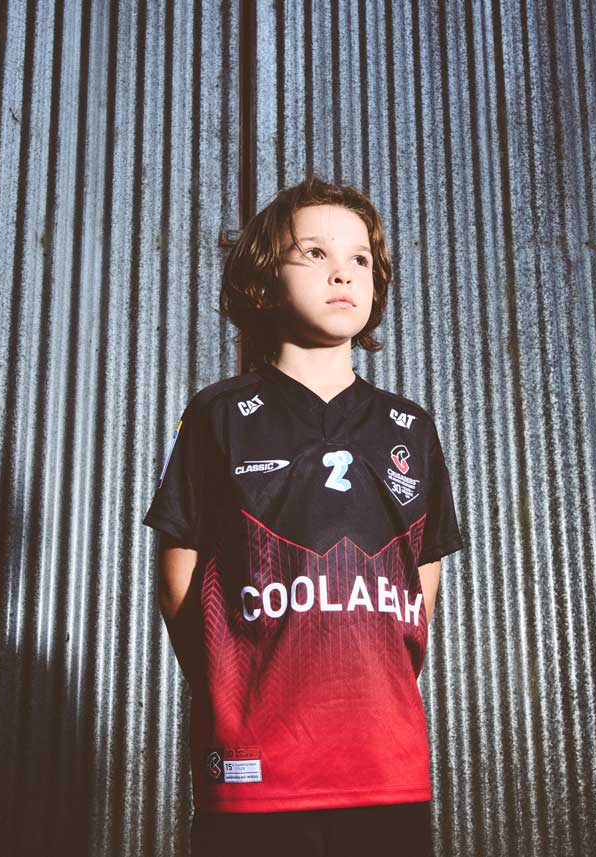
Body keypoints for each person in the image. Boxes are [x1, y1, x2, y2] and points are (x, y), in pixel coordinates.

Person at [142, 176, 465, 856]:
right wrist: (233, 691)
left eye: (359, 259)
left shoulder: (410, 424)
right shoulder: (219, 414)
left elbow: (422, 568)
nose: (342, 271)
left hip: (386, 768)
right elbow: (180, 571)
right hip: (257, 768)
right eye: (314, 253)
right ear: (262, 281)